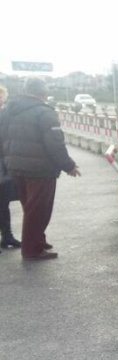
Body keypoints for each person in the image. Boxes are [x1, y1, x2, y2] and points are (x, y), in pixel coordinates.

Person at [0, 78, 80, 261]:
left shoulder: (7, 111)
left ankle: (37, 239)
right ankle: (32, 249)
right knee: (38, 209)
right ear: (43, 93)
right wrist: (69, 165)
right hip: (39, 170)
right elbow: (55, 144)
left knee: (29, 206)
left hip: (15, 167)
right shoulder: (45, 113)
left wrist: (7, 161)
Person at [0, 85, 21, 252]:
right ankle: (7, 237)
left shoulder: (5, 115)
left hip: (4, 164)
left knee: (3, 202)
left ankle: (7, 236)